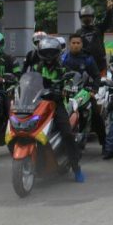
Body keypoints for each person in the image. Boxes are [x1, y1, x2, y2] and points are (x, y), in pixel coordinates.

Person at [30, 37, 85, 182]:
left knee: (67, 133)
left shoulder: (63, 67)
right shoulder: (36, 68)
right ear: (40, 53)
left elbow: (74, 76)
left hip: (56, 104)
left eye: (51, 52)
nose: (48, 56)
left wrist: (69, 86)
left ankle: (76, 168)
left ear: (57, 53)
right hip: (38, 104)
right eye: (45, 52)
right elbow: (28, 81)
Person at [61, 33, 105, 148]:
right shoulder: (63, 58)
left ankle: (105, 144)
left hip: (84, 91)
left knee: (96, 114)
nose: (76, 45)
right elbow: (59, 75)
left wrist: (93, 90)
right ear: (69, 44)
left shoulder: (88, 58)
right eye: (73, 43)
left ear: (81, 44)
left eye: (78, 43)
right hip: (66, 92)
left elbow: (97, 76)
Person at [75, 0, 113, 74]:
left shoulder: (98, 28)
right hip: (85, 65)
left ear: (93, 17)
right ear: (81, 18)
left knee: (103, 81)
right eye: (84, 17)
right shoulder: (78, 32)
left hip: (100, 64)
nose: (87, 19)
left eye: (89, 17)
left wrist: (109, 10)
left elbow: (107, 22)